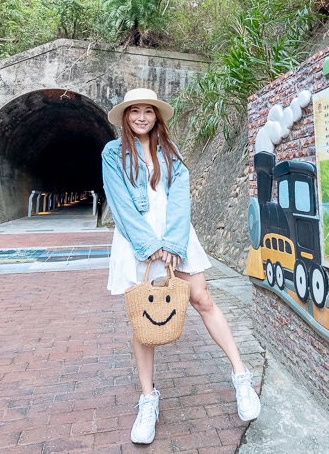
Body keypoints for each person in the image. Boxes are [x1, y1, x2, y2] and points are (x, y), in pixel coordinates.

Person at [101, 88, 261, 445]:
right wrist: (151, 247)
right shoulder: (113, 153)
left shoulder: (170, 153)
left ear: (157, 116)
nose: (142, 117)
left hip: (176, 237)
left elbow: (179, 199)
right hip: (137, 241)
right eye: (135, 111)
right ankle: (148, 401)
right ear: (126, 116)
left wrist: (172, 244)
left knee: (203, 299)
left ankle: (241, 378)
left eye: (148, 111)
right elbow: (121, 204)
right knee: (144, 317)